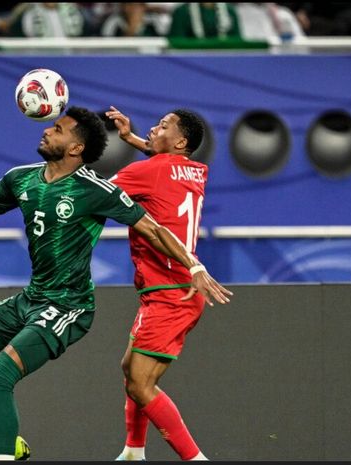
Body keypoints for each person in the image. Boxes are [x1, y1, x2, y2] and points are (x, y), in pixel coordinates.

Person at [0, 106, 232, 461]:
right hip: (36, 297)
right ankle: (97, 448)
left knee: (6, 376)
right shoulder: (22, 178)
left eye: (59, 129)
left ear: (77, 149)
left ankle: (184, 458)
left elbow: (149, 224)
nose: (48, 131)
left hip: (75, 304)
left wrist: (194, 265)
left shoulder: (96, 189)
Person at [105, 106, 230, 461]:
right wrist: (133, 140)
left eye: (162, 126)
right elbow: (163, 164)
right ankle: (133, 451)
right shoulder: (195, 170)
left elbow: (98, 194)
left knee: (141, 383)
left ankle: (195, 459)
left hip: (169, 292)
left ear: (181, 141)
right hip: (176, 291)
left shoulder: (144, 172)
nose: (153, 130)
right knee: (130, 369)